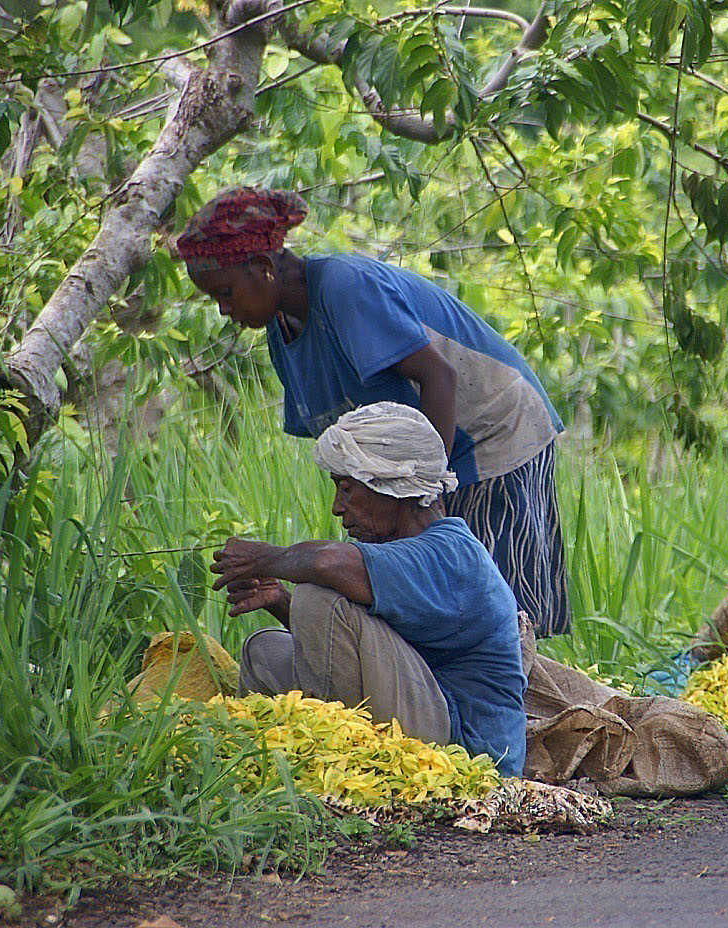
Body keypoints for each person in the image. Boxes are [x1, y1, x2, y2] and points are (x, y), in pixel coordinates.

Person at [176, 187, 570, 636]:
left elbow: (438, 377)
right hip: (428, 456)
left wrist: (425, 488)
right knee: (418, 601)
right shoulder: (283, 334)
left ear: (264, 270)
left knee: (493, 608)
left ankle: (521, 702)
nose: (224, 310)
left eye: (225, 293)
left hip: (489, 433)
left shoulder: (345, 288)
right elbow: (350, 449)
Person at [210, 402, 527, 777]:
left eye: (347, 489)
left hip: (466, 752)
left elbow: (326, 563)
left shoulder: (452, 554)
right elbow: (350, 645)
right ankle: (288, 762)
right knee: (263, 649)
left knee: (317, 594)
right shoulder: (402, 553)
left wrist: (261, 559)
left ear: (395, 488)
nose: (336, 508)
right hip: (424, 714)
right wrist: (280, 602)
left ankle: (327, 763)